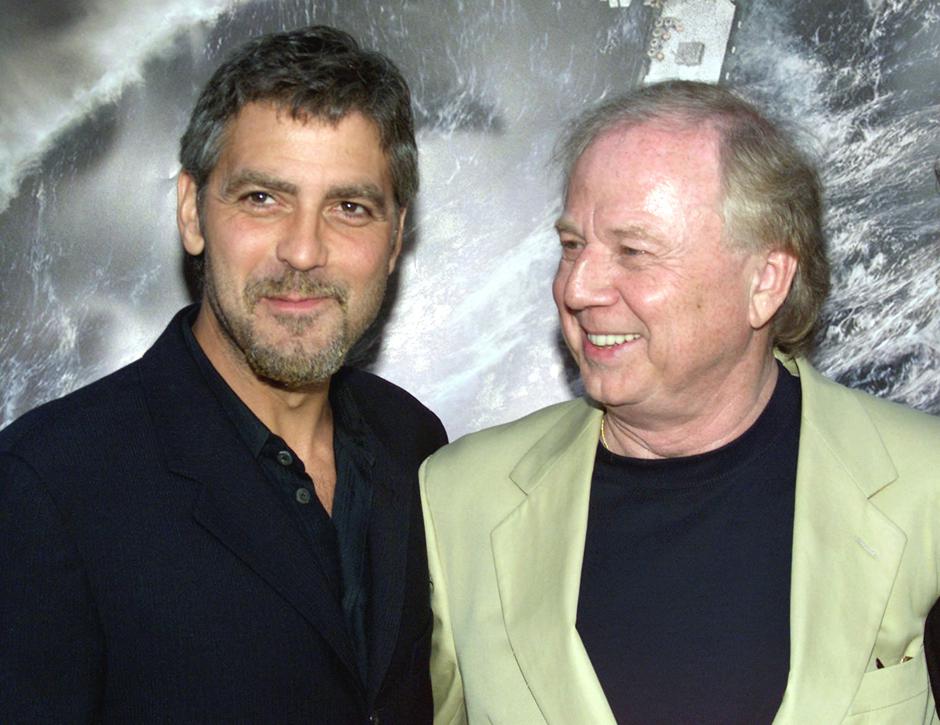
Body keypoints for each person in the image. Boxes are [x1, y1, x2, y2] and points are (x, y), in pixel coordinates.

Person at [420, 80, 940, 723]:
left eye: (634, 251)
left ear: (766, 281)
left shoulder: (925, 488)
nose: (576, 288)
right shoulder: (460, 499)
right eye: (572, 245)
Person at [0, 26, 446, 723]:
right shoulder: (49, 485)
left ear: (394, 239)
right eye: (263, 198)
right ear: (192, 211)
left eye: (350, 207)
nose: (303, 250)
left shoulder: (415, 444)